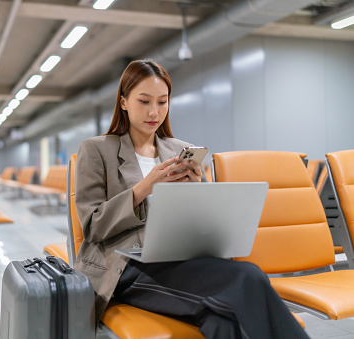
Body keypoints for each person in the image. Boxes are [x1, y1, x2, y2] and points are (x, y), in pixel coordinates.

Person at [74, 59, 309, 338]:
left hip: (180, 258)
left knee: (222, 318)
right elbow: (92, 226)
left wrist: (197, 187)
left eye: (162, 102)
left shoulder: (180, 149)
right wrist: (144, 187)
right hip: (126, 268)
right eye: (144, 101)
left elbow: (207, 221)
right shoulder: (97, 149)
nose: (154, 111)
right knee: (248, 276)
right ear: (123, 102)